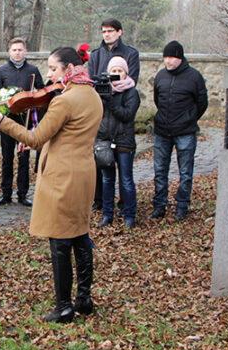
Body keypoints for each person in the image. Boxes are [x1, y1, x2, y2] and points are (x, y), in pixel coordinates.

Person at [0, 46, 102, 323]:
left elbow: (35, 138)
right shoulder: (93, 95)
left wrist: (2, 120)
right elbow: (69, 134)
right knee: (80, 235)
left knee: (61, 239)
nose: (48, 74)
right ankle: (83, 299)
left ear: (69, 69)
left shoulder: (65, 100)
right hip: (84, 173)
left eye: (53, 68)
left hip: (62, 177)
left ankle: (64, 307)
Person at [151, 40, 208, 221]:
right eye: (165, 57)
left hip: (185, 131)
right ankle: (159, 205)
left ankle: (182, 205)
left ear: (180, 58)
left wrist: (189, 118)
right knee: (160, 170)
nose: (168, 61)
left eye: (171, 57)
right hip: (162, 131)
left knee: (185, 172)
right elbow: (157, 100)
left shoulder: (194, 77)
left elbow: (202, 103)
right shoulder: (160, 76)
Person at [88, 19, 140, 211]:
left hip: (122, 113)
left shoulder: (130, 54)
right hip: (102, 116)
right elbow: (92, 80)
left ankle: (125, 204)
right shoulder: (96, 55)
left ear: (120, 32)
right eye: (104, 31)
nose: (107, 34)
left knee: (124, 174)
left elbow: (132, 80)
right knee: (101, 163)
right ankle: (100, 201)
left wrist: (115, 95)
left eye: (110, 31)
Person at [0, 37, 44, 207]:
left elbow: (42, 93)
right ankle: (6, 194)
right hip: (8, 120)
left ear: (25, 51)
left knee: (24, 157)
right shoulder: (2, 71)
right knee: (7, 157)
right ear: (9, 52)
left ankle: (22, 194)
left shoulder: (33, 70)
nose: (17, 52)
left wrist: (33, 97)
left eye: (20, 49)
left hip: (26, 121)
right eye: (14, 50)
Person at [96, 55, 140, 229]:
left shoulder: (132, 92)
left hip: (124, 140)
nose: (116, 74)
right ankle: (107, 215)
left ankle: (129, 215)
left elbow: (127, 115)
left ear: (125, 72)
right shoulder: (103, 90)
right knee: (107, 179)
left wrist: (111, 101)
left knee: (126, 179)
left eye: (119, 71)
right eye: (113, 71)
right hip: (105, 140)